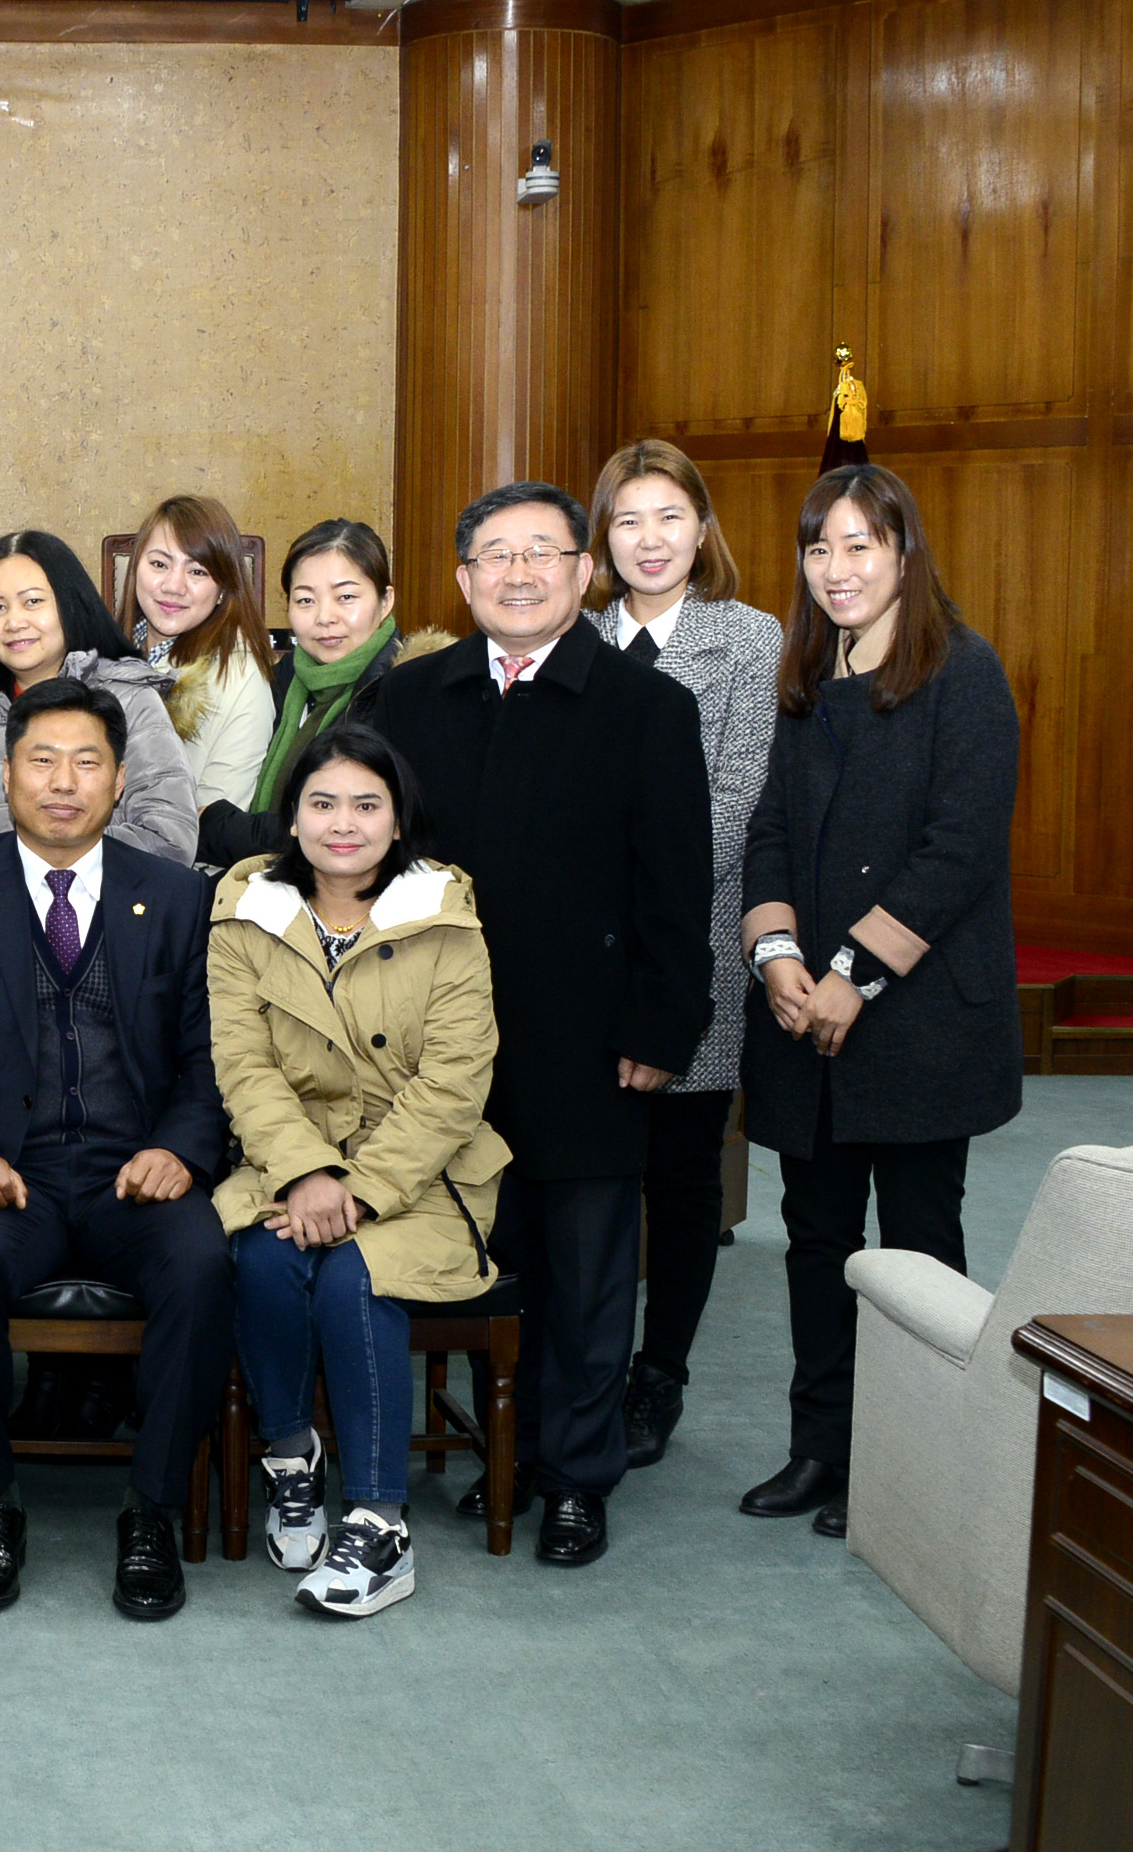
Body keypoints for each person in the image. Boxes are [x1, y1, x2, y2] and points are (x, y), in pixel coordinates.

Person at [373, 481, 711, 1567]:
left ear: (580, 572)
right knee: (478, 1255)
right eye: (493, 556)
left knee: (584, 1277)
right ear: (462, 579)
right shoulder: (408, 699)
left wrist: (664, 1027)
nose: (518, 574)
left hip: (587, 1040)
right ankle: (504, 1459)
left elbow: (676, 886)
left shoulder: (644, 708)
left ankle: (573, 1478)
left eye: (543, 554)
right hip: (437, 1049)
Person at [0, 678, 232, 1622]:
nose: (62, 781)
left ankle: (152, 1509)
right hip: (7, 1176)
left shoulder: (171, 896)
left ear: (120, 782)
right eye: (41, 760)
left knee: (203, 1267)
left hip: (138, 1173)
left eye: (87, 762)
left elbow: (214, 1054)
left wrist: (181, 1149)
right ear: (4, 777)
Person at [737, 464, 1021, 1541]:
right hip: (799, 1013)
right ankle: (822, 1448)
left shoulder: (963, 671)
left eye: (859, 545)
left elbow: (956, 853)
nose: (836, 568)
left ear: (903, 554)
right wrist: (773, 955)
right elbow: (764, 827)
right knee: (813, 1240)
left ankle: (910, 1464)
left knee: (912, 1249)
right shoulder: (805, 672)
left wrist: (850, 975)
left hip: (915, 1023)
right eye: (819, 548)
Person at [210, 724, 507, 1618]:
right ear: (291, 818)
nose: (345, 823)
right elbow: (242, 1063)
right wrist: (303, 1173)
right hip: (283, 1155)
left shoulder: (445, 917)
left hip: (421, 1172)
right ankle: (290, 1455)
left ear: (398, 816)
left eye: (367, 804)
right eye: (323, 803)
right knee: (260, 1258)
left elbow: (454, 1084)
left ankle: (379, 1522)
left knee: (351, 1275)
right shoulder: (246, 909)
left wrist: (360, 1187)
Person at [586, 440, 784, 1468]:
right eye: (626, 520)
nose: (648, 539)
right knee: (584, 1172)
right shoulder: (572, 637)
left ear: (699, 531)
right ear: (601, 538)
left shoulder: (749, 640)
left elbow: (735, 795)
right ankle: (581, 1362)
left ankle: (657, 1373)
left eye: (667, 517)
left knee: (679, 1174)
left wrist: (616, 885)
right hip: (572, 956)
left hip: (691, 943)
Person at [203, 519, 451, 870]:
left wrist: (212, 824)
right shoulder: (284, 680)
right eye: (305, 600)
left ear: (385, 602)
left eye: (346, 597)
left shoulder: (411, 692)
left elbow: (343, 830)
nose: (324, 617)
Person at [0, 530, 197, 865]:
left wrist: (40, 857)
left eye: (33, 601)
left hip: (106, 910)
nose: (14, 622)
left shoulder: (129, 698)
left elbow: (170, 841)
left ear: (70, 603)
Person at [115, 495, 275, 831]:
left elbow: (212, 821)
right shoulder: (102, 653)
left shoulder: (240, 676)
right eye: (159, 564)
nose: (173, 586)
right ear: (135, 568)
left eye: (197, 571)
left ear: (222, 589)